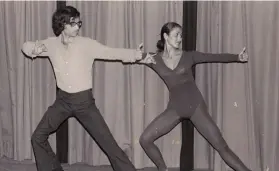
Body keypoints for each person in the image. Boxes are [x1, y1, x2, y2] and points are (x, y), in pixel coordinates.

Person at [21, 6, 144, 171]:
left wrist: (136, 55)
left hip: (84, 103)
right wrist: (33, 50)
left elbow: (110, 52)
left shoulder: (86, 44)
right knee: (37, 137)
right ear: (62, 24)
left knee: (109, 145)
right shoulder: (50, 44)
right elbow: (25, 46)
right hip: (62, 101)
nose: (78, 27)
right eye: (74, 24)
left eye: (79, 23)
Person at [138, 22, 252, 171]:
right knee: (145, 139)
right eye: (176, 35)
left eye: (181, 35)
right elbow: (130, 56)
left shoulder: (189, 56)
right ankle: (162, 169)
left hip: (195, 106)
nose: (180, 38)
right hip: (175, 109)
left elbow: (214, 57)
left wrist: (238, 57)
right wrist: (138, 56)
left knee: (221, 146)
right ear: (165, 36)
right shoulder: (154, 59)